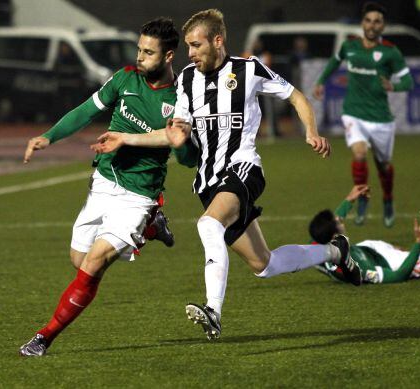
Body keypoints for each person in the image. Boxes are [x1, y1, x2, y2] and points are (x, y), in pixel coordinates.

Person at [90, 9, 361, 342]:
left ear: (217, 41)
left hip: (244, 168)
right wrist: (125, 138)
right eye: (187, 46)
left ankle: (213, 311)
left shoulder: (248, 70)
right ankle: (336, 252)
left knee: (207, 224)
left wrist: (311, 131)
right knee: (265, 265)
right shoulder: (187, 80)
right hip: (210, 182)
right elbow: (174, 133)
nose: (189, 53)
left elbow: (295, 96)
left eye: (195, 45)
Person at [18, 18, 196, 357]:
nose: (140, 57)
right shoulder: (126, 78)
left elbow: (187, 159)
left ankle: (44, 337)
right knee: (79, 260)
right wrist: (48, 136)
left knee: (94, 263)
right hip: (103, 182)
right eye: (139, 50)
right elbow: (87, 110)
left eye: (148, 52)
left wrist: (181, 142)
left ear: (169, 55)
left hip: (138, 195)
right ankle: (152, 227)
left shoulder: (181, 99)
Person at [313, 2, 414, 228]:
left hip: (381, 118)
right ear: (362, 23)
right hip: (353, 113)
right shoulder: (350, 46)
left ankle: (388, 199)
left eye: (377, 21)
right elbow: (335, 61)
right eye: (368, 20)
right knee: (359, 155)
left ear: (383, 25)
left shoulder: (390, 51)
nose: (372, 25)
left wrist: (393, 87)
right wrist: (321, 81)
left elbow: (409, 81)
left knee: (383, 165)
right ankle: (361, 199)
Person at [310, 185, 420, 284]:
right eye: (338, 223)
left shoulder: (319, 243)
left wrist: (349, 199)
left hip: (367, 249)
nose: (341, 220)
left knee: (399, 250)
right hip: (388, 264)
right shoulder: (357, 270)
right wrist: (418, 242)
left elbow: (332, 223)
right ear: (333, 237)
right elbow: (398, 276)